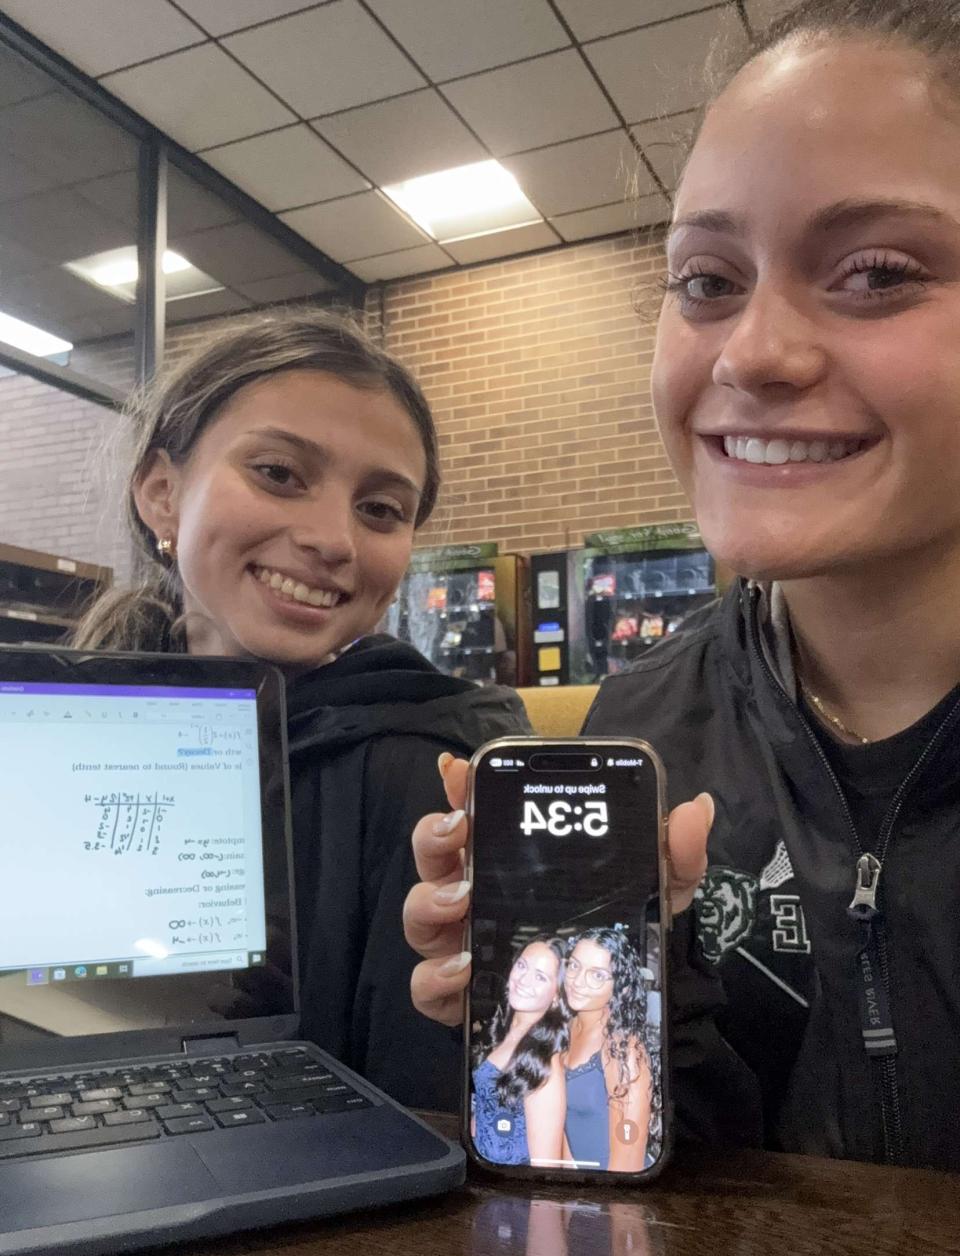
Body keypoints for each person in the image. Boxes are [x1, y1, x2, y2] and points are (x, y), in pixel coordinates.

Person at [404, 0, 960, 1169]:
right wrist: (575, 1037)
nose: (752, 352)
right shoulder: (645, 724)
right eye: (708, 280)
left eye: (876, 273)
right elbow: (685, 1165)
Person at [74, 309, 528, 1109]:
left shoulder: (434, 768)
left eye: (380, 509)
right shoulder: (66, 734)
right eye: (280, 474)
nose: (333, 540)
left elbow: (444, 1108)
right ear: (162, 494)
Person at [562, 928, 655, 1173]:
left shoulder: (623, 1049)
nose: (577, 981)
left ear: (620, 986)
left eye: (597, 975)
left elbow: (629, 1163)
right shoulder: (563, 1028)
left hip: (609, 1187)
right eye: (574, 966)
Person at [471, 937, 567, 1166]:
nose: (524, 980)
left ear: (556, 996)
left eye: (540, 977)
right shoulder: (501, 1031)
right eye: (522, 966)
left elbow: (546, 1167)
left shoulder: (544, 1064)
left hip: (510, 1183)